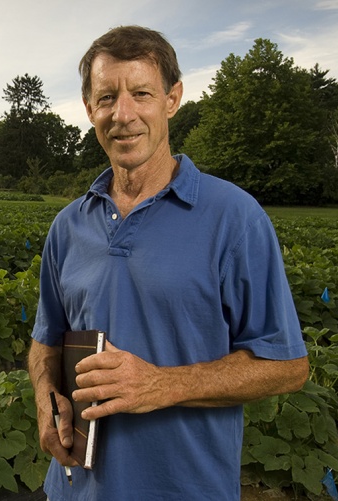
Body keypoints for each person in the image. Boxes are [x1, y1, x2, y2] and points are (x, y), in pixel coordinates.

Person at [28, 25, 309, 500]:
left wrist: (161, 385)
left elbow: (287, 366)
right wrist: (44, 398)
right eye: (106, 98)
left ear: (172, 99)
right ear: (88, 109)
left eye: (141, 93)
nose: (123, 114)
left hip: (185, 487)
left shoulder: (234, 217)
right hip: (75, 489)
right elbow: (46, 343)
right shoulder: (68, 226)